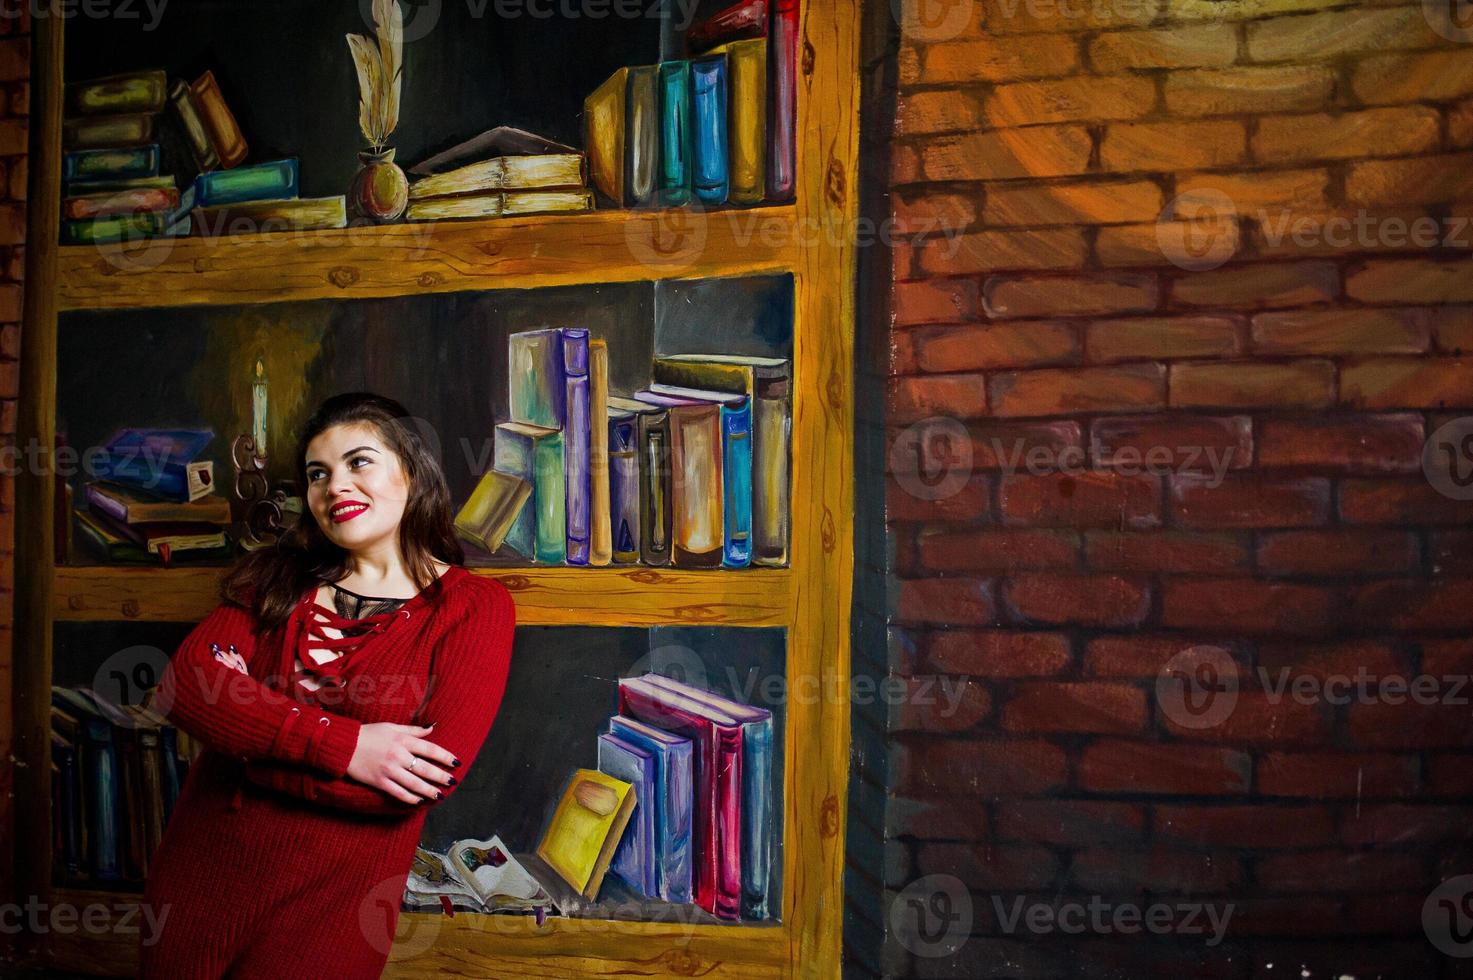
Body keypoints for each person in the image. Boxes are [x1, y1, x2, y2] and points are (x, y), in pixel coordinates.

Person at [138, 392, 515, 978]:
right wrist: (350, 748)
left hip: (333, 913)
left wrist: (247, 743)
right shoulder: (278, 578)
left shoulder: (473, 608)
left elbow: (409, 786)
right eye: (318, 473)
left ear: (411, 471)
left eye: (359, 461)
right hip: (201, 884)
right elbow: (187, 686)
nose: (335, 486)